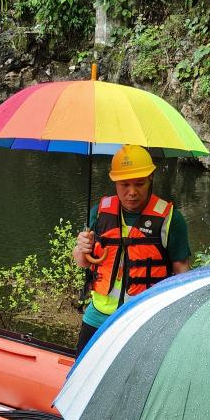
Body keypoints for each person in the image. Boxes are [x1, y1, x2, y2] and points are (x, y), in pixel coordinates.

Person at [71, 144, 192, 352]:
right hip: (98, 314)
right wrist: (81, 248)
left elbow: (182, 272)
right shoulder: (99, 213)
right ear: (115, 182)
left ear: (151, 178)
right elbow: (82, 262)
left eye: (139, 184)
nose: (132, 192)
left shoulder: (171, 219)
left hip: (145, 316)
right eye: (124, 185)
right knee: (79, 373)